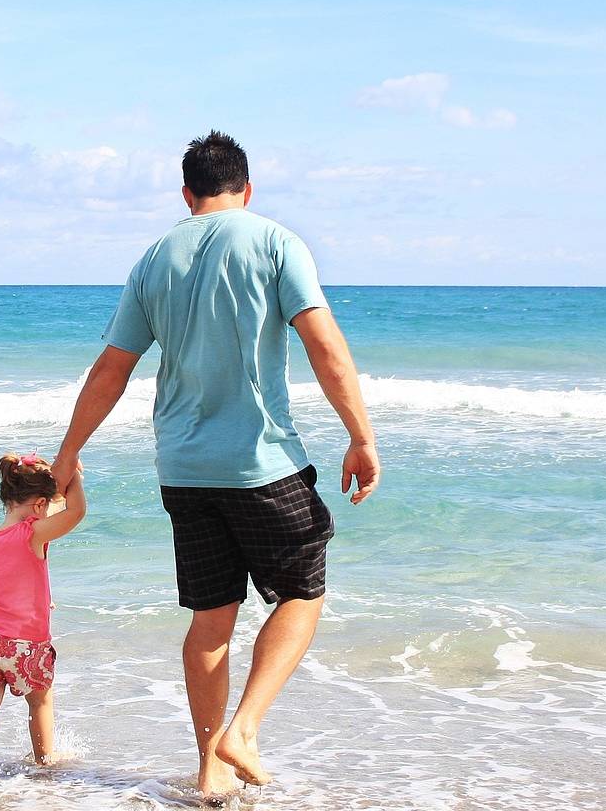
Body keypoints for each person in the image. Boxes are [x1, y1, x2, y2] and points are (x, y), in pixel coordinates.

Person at [50, 130, 380, 799]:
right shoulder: (275, 242)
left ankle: (210, 770)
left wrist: (69, 451)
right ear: (247, 189)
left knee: (210, 620)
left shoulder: (153, 259)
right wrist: (361, 436)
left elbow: (114, 367)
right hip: (259, 462)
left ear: (186, 193)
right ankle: (244, 730)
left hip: (183, 468)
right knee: (303, 593)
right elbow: (324, 345)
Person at [0, 452, 87, 778]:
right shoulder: (32, 535)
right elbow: (76, 512)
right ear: (39, 506)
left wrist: (41, 598)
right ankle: (44, 761)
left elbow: (11, 578)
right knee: (40, 702)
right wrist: (75, 476)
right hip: (27, 645)